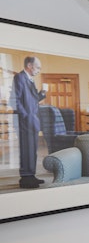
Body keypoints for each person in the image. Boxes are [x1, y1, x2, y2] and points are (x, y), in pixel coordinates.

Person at [12, 56, 48, 189]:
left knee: (32, 149)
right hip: (25, 120)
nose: (39, 70)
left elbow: (33, 100)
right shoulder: (19, 77)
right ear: (29, 65)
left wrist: (42, 93)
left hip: (33, 119)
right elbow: (15, 101)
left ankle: (31, 175)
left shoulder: (30, 79)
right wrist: (25, 116)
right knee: (26, 149)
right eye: (37, 67)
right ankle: (25, 178)